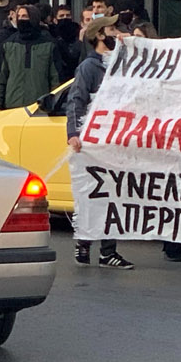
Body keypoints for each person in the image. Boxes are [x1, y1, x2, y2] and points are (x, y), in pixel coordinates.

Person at [67, 17, 134, 270]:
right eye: (112, 29)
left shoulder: (120, 63)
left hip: (115, 141)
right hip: (93, 142)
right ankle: (85, 242)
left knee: (112, 194)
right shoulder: (89, 68)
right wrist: (74, 132)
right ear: (99, 36)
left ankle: (107, 251)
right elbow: (76, 100)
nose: (117, 33)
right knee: (93, 193)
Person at [0, 5, 59, 110]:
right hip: (12, 107)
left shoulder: (49, 45)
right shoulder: (8, 44)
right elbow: (0, 77)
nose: (21, 20)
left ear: (33, 18)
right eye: (19, 16)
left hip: (39, 109)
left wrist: (54, 105)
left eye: (24, 16)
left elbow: (55, 79)